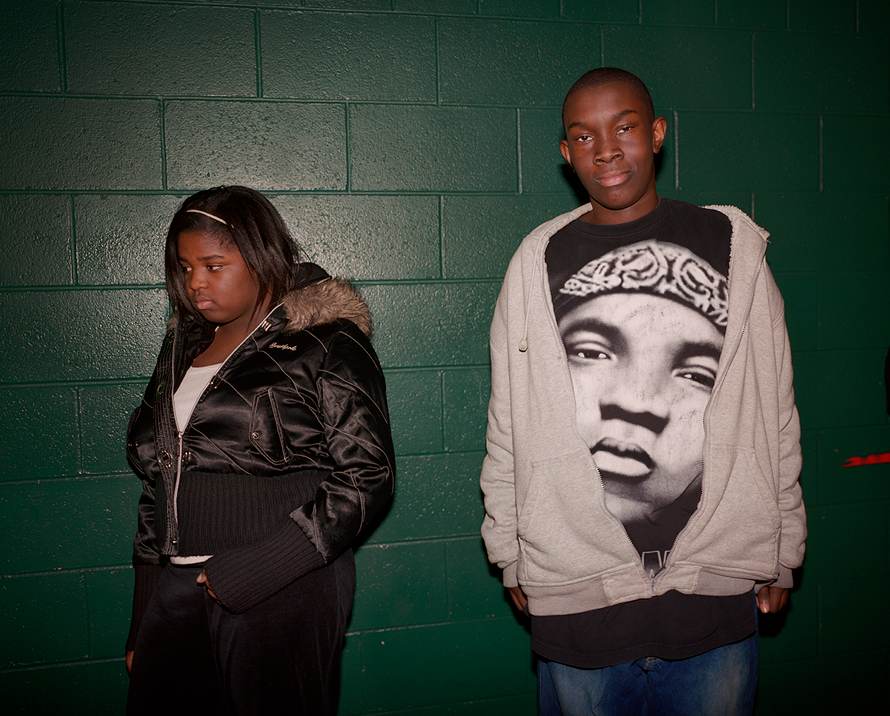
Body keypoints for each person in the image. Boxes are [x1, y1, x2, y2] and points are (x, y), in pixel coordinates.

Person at [480, 68, 805, 715]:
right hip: (578, 596)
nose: (606, 148)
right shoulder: (536, 259)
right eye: (584, 135)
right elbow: (508, 417)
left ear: (656, 134)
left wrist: (783, 548)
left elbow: (776, 412)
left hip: (713, 594)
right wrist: (511, 551)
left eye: (624, 127)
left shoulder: (733, 249)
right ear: (566, 153)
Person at [124, 185, 395, 715]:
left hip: (286, 583)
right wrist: (145, 612)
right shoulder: (184, 344)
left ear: (260, 258)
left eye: (213, 265)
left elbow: (367, 476)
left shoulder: (327, 340)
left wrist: (258, 568)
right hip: (181, 587)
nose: (195, 283)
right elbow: (159, 481)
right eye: (184, 268)